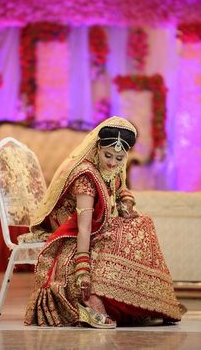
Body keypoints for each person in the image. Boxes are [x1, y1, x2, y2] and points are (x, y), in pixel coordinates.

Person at [24, 116, 184, 328]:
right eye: (108, 155)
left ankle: (142, 304)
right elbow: (84, 225)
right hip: (75, 230)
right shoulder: (86, 177)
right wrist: (82, 267)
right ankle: (94, 302)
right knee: (121, 234)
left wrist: (126, 201)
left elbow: (120, 188)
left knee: (143, 223)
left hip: (98, 224)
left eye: (119, 158)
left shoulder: (113, 168)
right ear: (97, 148)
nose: (112, 162)